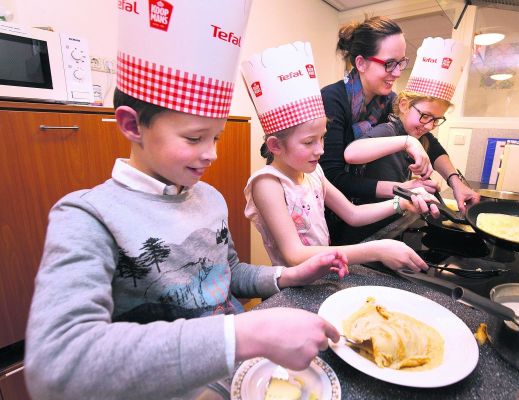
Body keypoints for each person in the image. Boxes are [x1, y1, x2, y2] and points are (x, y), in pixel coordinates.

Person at [24, 3, 349, 400]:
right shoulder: (86, 216)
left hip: (238, 367)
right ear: (131, 125)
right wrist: (243, 332)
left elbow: (227, 274)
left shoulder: (208, 198)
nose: (211, 153)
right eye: (195, 138)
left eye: (216, 137)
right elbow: (55, 365)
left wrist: (288, 277)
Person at [241, 42, 439, 273]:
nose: (320, 150)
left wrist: (402, 201)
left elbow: (353, 214)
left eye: (322, 138)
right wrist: (376, 249)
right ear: (275, 145)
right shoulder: (268, 184)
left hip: (326, 274)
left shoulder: (314, 173)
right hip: (292, 287)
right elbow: (294, 255)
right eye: (308, 142)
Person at [319, 16, 436, 245]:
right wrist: (400, 189)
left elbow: (422, 133)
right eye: (389, 63)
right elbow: (333, 177)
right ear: (361, 63)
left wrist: (455, 180)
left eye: (401, 62)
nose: (397, 72)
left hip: (362, 209)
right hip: (330, 215)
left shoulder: (387, 100)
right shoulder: (333, 99)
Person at [344, 37, 480, 214]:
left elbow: (436, 151)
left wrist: (454, 183)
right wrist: (403, 188)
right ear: (404, 105)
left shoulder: (419, 136)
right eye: (425, 116)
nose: (430, 126)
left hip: (392, 215)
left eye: (437, 119)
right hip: (367, 222)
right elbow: (352, 153)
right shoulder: (389, 130)